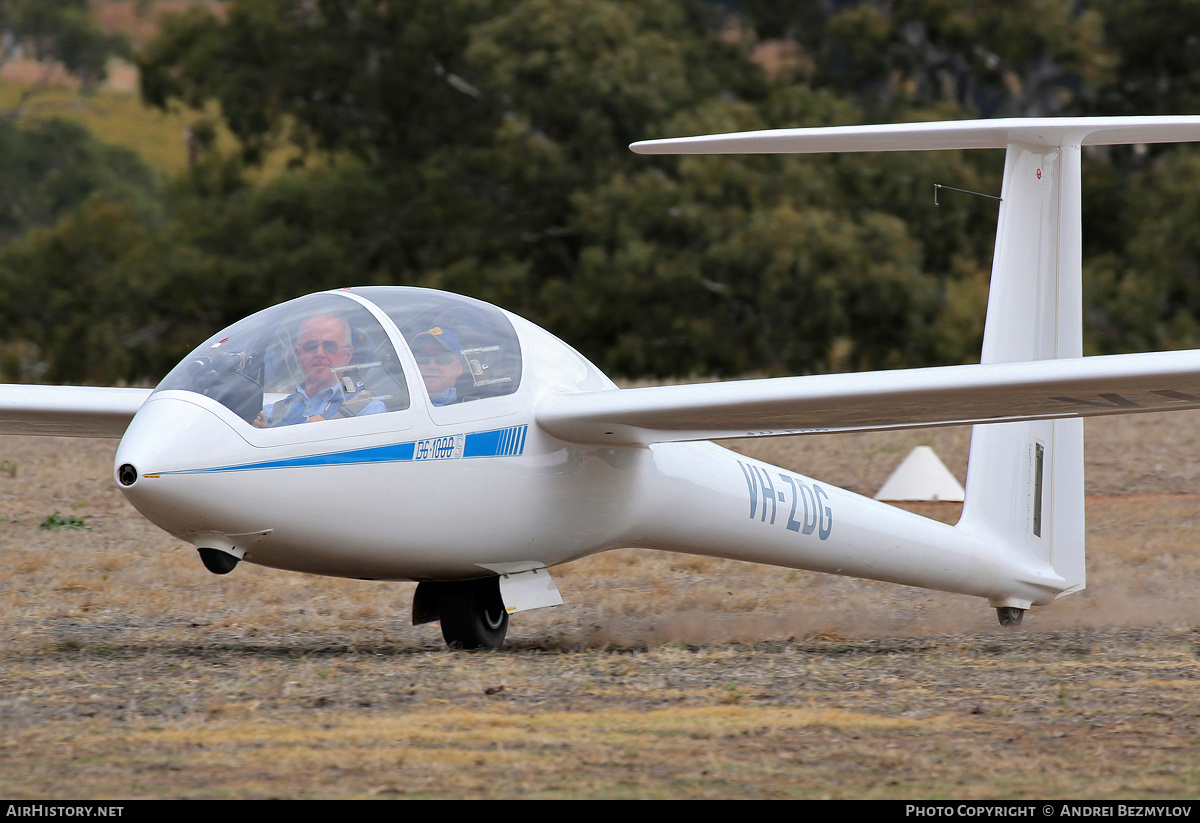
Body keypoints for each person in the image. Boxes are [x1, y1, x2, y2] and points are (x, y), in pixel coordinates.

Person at [253, 314, 385, 427]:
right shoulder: (267, 415)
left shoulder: (368, 410)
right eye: (310, 346)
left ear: (348, 355)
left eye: (330, 346)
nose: (319, 353)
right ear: (299, 354)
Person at [411, 326, 464, 406]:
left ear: (459, 368)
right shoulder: (391, 407)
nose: (431, 366)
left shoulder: (475, 408)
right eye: (423, 358)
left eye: (442, 359)